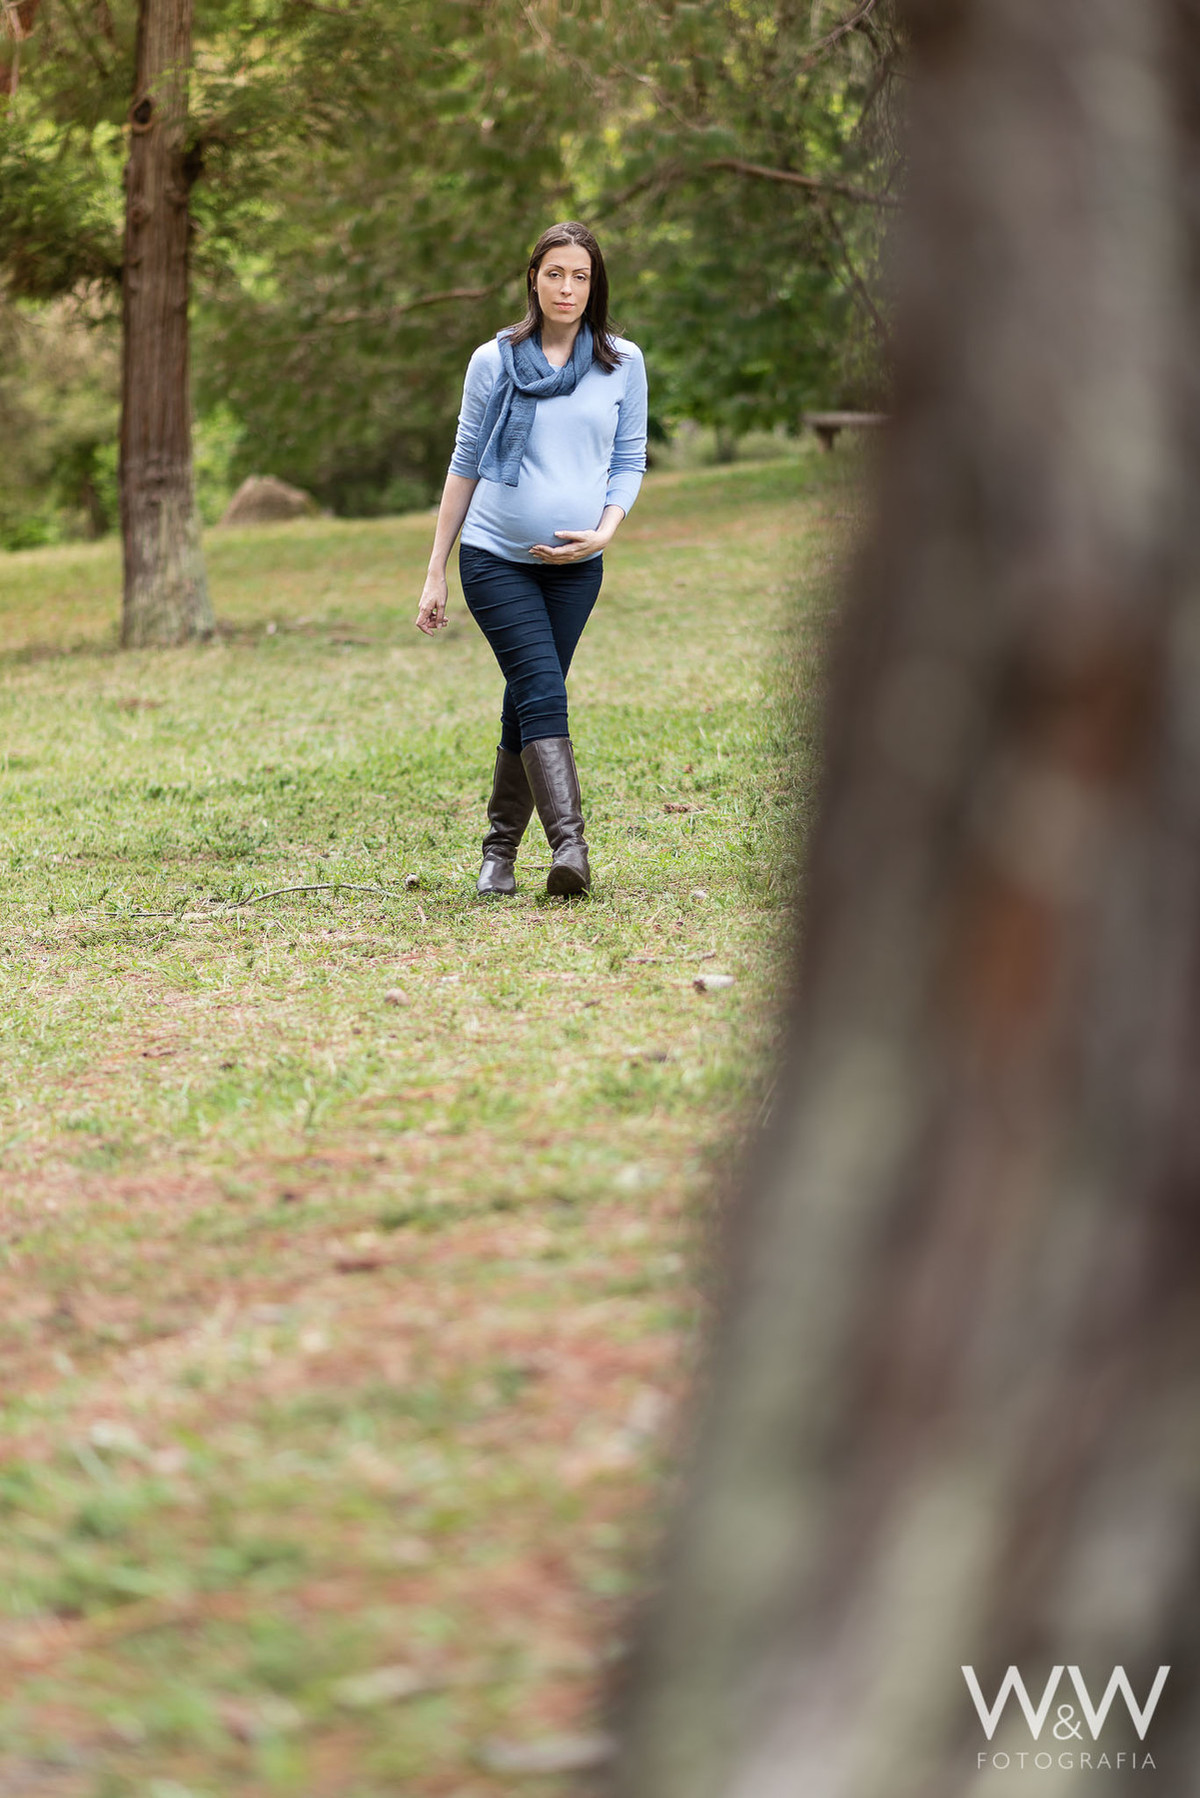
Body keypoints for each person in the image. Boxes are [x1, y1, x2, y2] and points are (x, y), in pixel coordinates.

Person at [415, 221, 649, 896]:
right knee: (545, 691)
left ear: (594, 283)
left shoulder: (622, 363)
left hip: (577, 568)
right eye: (554, 274)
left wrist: (606, 531)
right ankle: (570, 850)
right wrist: (436, 569)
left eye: (580, 275)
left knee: (528, 699)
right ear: (533, 280)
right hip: (495, 558)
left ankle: (497, 855)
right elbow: (464, 465)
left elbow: (629, 460)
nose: (567, 287)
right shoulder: (494, 361)